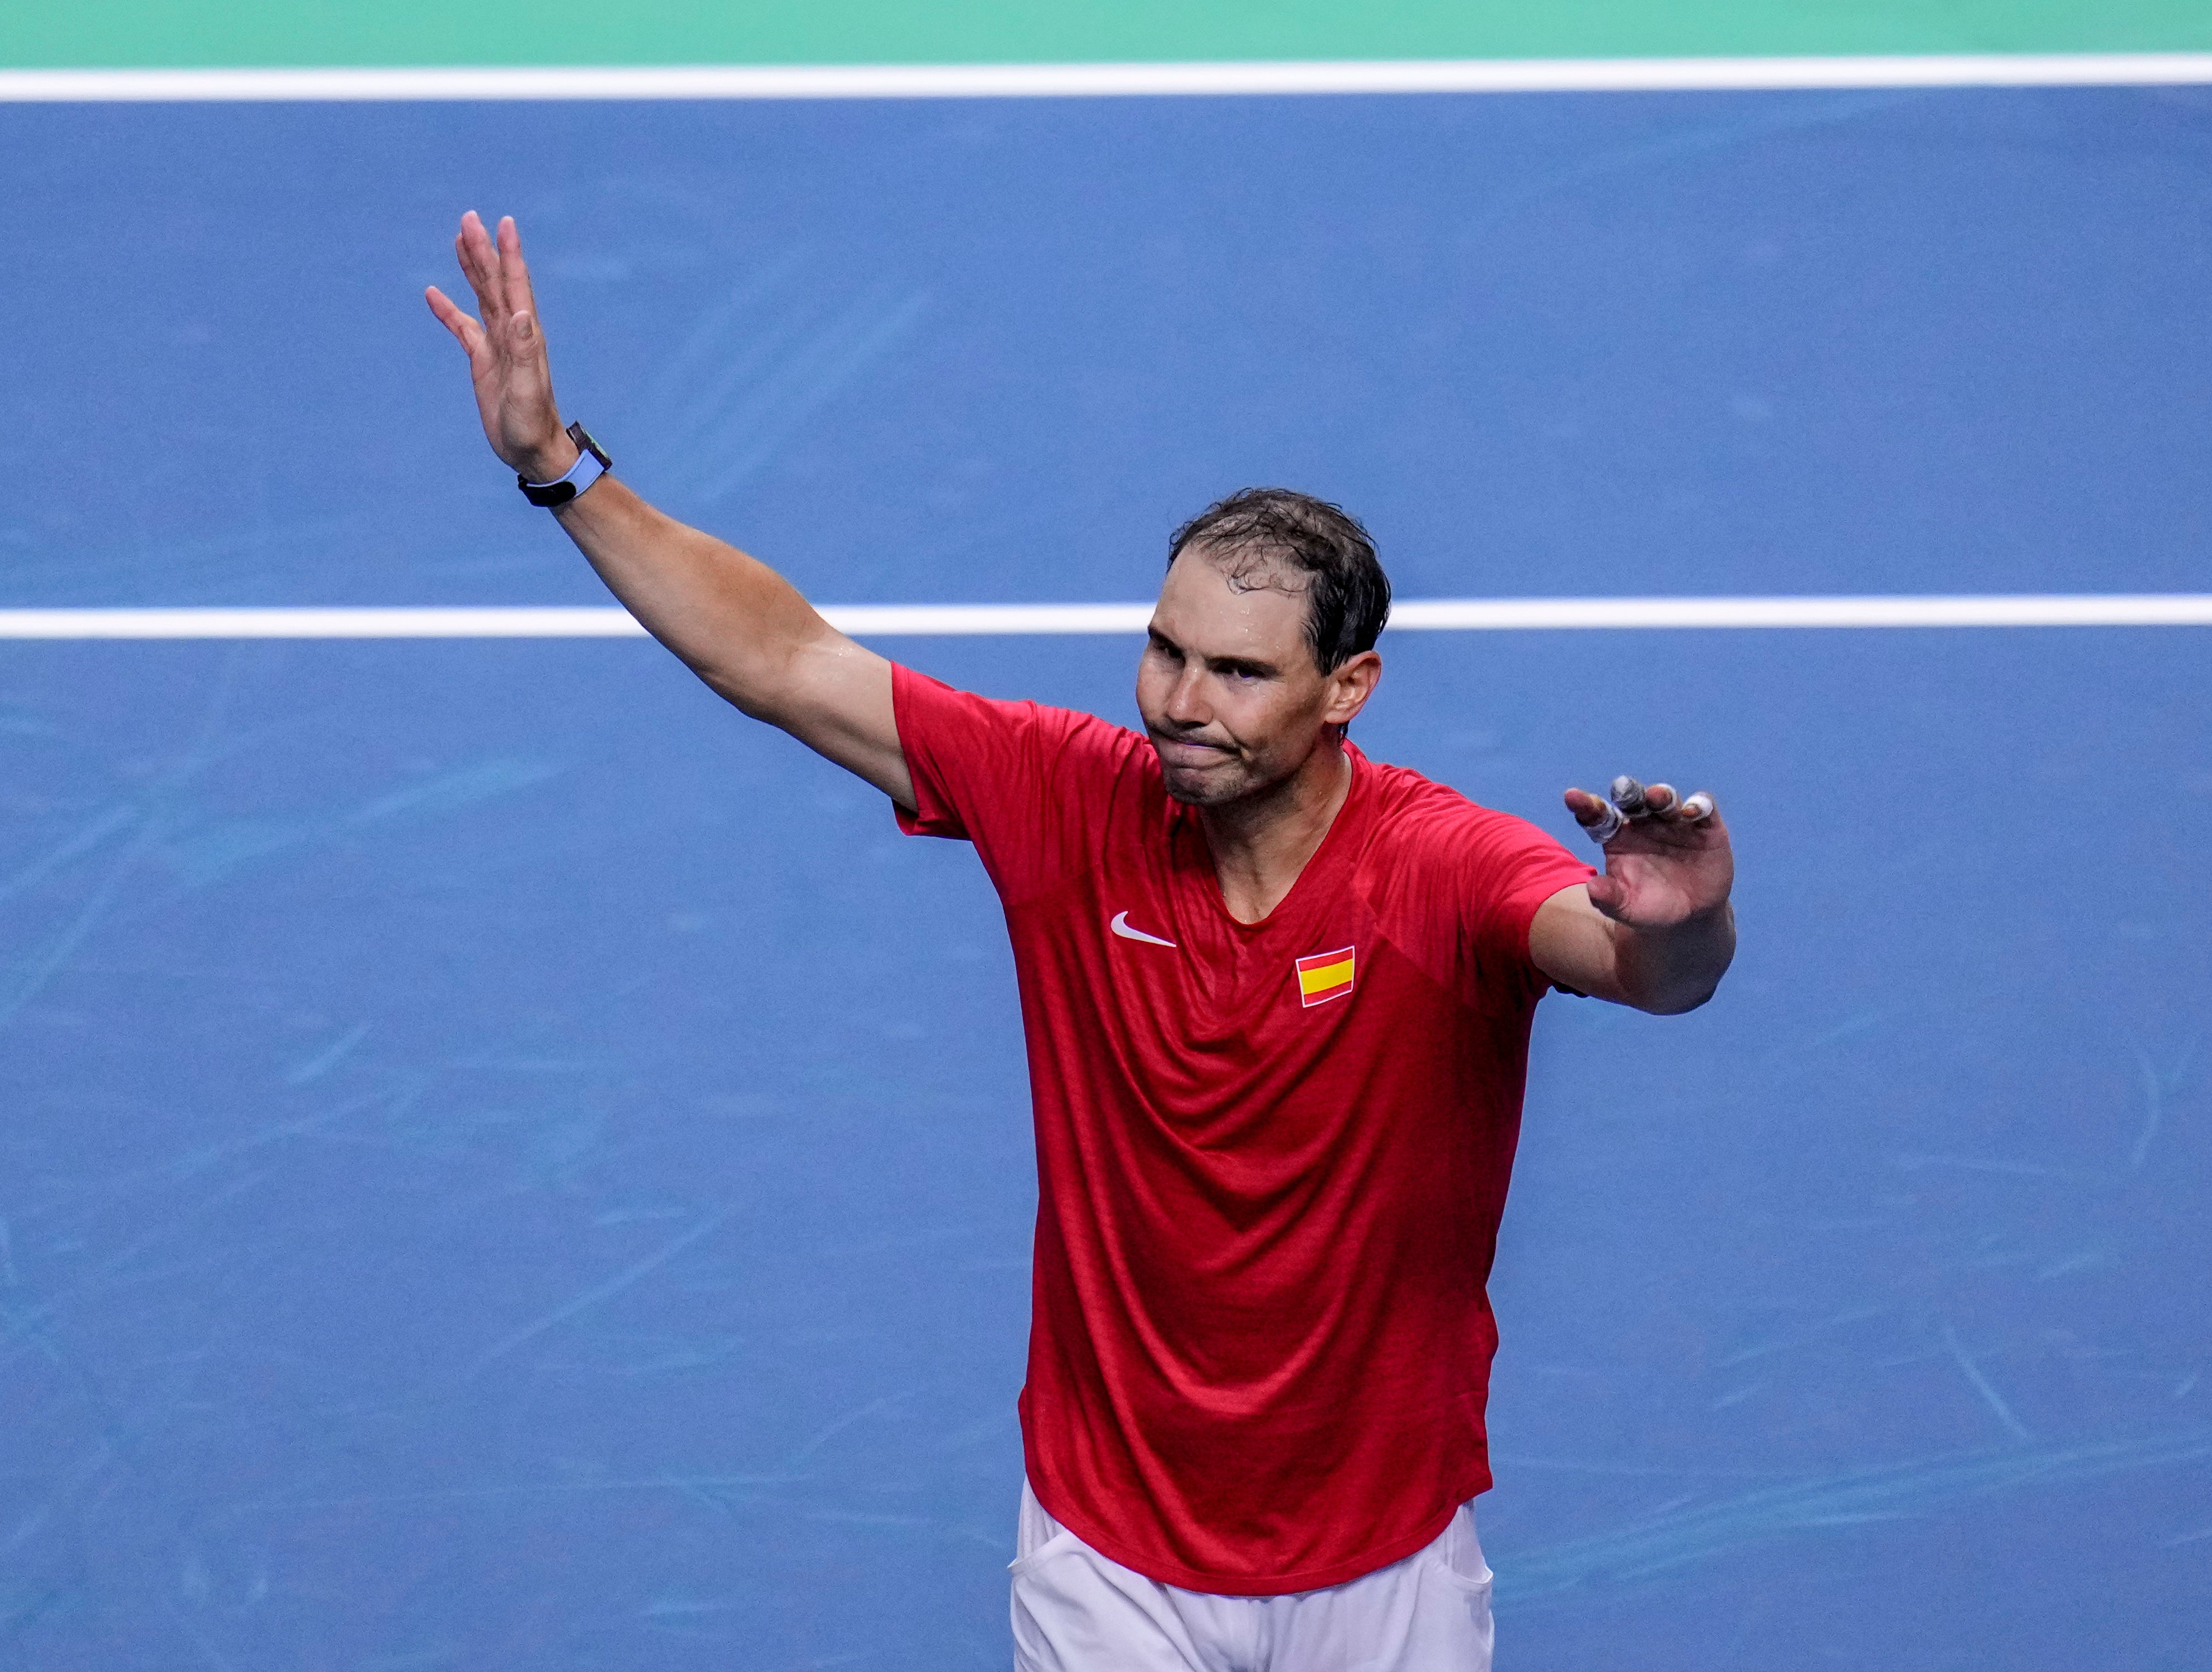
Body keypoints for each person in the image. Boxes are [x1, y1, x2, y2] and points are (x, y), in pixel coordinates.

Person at [425, 211, 1737, 1672]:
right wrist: (562, 469)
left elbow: (1632, 963)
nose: (1181, 700)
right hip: (1110, 1559)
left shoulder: (1439, 863)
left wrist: (1689, 924)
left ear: (1349, 685)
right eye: (1167, 649)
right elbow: (789, 660)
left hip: (1387, 1562)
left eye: (1239, 673)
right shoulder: (1067, 798)